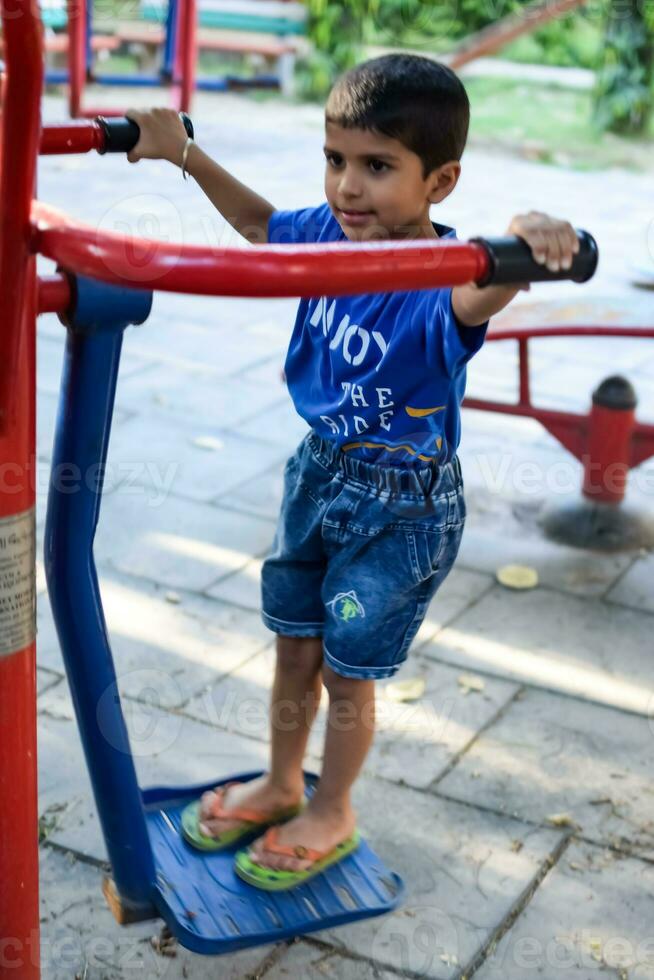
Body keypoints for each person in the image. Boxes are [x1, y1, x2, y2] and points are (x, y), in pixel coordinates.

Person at [126, 53, 580, 891]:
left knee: (346, 670)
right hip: (320, 471)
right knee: (293, 646)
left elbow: (487, 291)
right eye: (335, 161)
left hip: (400, 511)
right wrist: (182, 152)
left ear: (440, 182)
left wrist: (527, 240)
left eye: (377, 167)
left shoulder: (442, 277)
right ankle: (277, 781)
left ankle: (330, 808)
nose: (347, 188)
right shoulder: (329, 236)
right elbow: (263, 226)